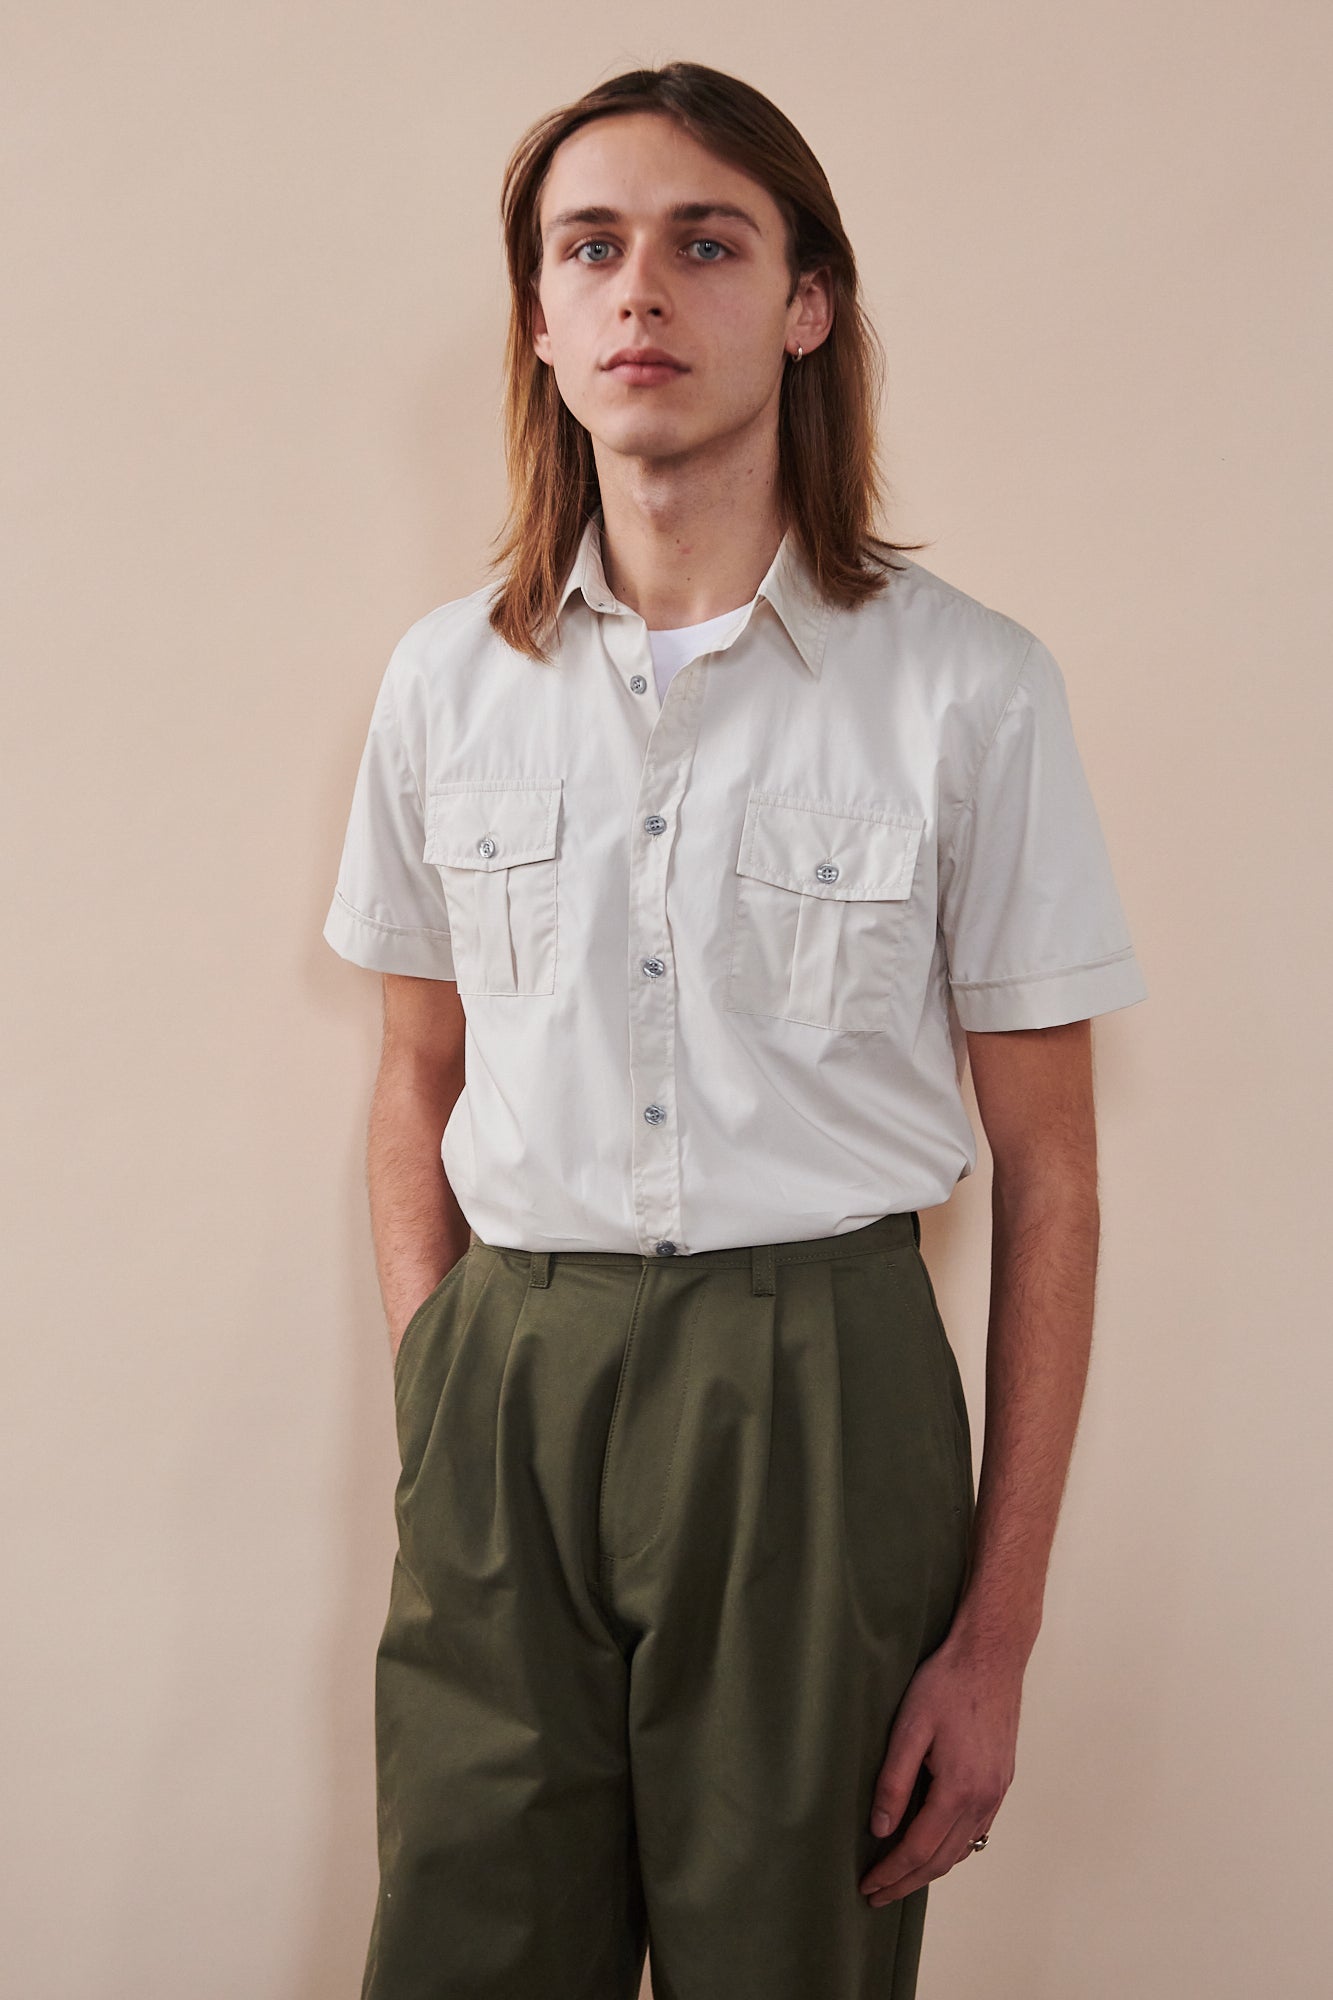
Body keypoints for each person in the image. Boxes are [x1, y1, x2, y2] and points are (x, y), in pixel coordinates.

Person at [322, 59, 1148, 2000]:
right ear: (535, 318)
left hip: (818, 1383)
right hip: (506, 1384)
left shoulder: (967, 693)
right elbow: (412, 1078)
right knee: (467, 1948)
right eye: (587, 249)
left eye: (705, 243)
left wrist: (994, 1636)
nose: (638, 295)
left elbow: (1052, 1171)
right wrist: (446, 1378)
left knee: (783, 1962)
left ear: (803, 303)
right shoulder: (448, 683)